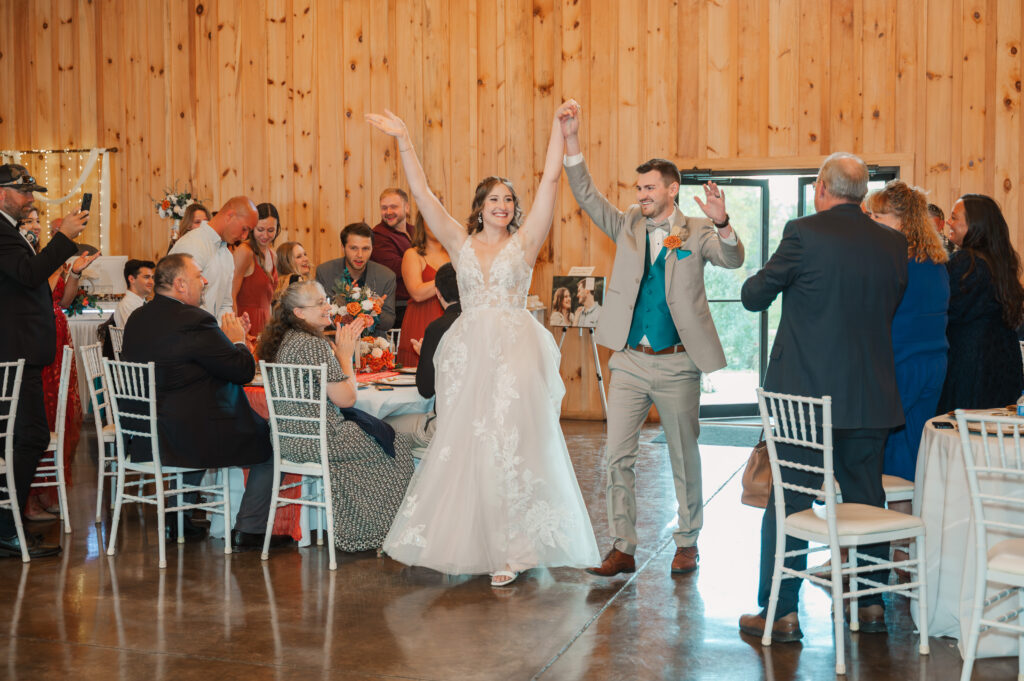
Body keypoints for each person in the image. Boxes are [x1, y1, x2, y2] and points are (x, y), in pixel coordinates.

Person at [367, 102, 600, 586]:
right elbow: (423, 194)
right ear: (480, 206)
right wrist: (405, 139)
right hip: (469, 352)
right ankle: (475, 540)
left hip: (515, 349)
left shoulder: (527, 240)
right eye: (494, 199)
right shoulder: (458, 240)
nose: (503, 206)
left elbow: (551, 183)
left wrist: (562, 131)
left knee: (512, 441)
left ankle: (515, 550)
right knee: (470, 441)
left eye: (508, 200)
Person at [561, 106, 745, 578]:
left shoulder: (699, 231)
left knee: (684, 455)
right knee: (616, 456)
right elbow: (586, 194)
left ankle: (688, 541)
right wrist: (572, 140)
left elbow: (732, 259)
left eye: (648, 188)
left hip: (678, 363)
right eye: (637, 188)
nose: (640, 195)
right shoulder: (627, 225)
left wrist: (723, 223)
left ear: (670, 190)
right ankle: (622, 546)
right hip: (628, 359)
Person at [738, 153, 908, 641]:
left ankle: (781, 611)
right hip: (869, 395)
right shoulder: (893, 244)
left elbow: (753, 296)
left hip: (804, 401)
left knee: (789, 501)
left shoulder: (803, 233)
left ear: (821, 189)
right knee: (867, 499)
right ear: (862, 193)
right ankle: (871, 605)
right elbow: (889, 303)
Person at [121, 254, 293, 550]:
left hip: (145, 433)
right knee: (275, 441)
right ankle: (249, 529)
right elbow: (241, 371)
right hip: (183, 436)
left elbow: (193, 364)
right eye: (199, 276)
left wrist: (231, 340)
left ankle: (180, 521)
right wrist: (238, 340)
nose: (205, 281)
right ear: (180, 284)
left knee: (195, 418)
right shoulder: (195, 320)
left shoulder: (139, 317)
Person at [256, 281, 416, 551]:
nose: (328, 306)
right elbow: (346, 399)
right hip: (321, 439)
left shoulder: (284, 341)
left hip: (289, 440)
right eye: (319, 303)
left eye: (326, 299)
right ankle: (379, 534)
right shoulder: (313, 345)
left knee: (377, 434)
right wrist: (344, 355)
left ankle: (363, 527)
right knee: (395, 442)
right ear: (299, 313)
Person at [0, 163, 89, 557]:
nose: (30, 199)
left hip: (22, 353)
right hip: (13, 354)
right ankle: (7, 527)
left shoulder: (11, 232)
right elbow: (29, 273)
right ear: (2, 193)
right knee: (27, 437)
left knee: (26, 438)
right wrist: (62, 238)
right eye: (24, 192)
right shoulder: (2, 233)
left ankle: (8, 525)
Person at [865, 182, 949, 481]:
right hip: (933, 365)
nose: (871, 221)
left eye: (877, 215)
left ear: (900, 219)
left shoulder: (897, 261)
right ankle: (909, 526)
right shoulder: (936, 262)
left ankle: (881, 524)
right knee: (908, 452)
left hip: (902, 365)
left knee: (884, 454)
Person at [935, 194, 1024, 414]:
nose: (948, 222)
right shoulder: (1001, 262)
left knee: (963, 434)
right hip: (1004, 361)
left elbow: (948, 312)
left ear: (974, 225)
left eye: (954, 217)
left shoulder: (966, 262)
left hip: (972, 364)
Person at [170, 196, 257, 321]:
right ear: (230, 216)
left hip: (209, 334)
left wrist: (232, 329)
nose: (244, 237)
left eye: (248, 232)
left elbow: (225, 304)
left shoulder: (227, 255)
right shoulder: (193, 244)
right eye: (244, 229)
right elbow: (181, 303)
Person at [315, 222, 397, 335]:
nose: (360, 255)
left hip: (372, 344)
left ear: (372, 248)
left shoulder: (386, 276)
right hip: (335, 341)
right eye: (354, 248)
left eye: (365, 249)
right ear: (343, 247)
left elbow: (388, 323)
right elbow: (318, 316)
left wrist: (376, 309)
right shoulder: (325, 272)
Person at [397, 214, 449, 367]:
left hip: (449, 322)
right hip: (421, 320)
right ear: (421, 224)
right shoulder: (412, 254)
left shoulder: (453, 254)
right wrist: (448, 279)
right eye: (431, 219)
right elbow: (417, 293)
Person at [413, 263, 460, 402]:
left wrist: (427, 355)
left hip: (449, 417)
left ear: (438, 292)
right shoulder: (483, 322)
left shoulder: (437, 328)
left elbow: (426, 389)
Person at [232, 202, 279, 336]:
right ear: (252, 228)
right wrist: (237, 329)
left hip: (265, 324)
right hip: (245, 322)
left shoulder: (273, 255)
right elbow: (231, 295)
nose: (265, 235)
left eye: (270, 230)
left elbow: (268, 301)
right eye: (260, 230)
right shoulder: (245, 252)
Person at [371, 189, 413, 327]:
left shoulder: (416, 231)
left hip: (417, 303)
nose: (388, 212)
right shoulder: (378, 236)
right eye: (384, 208)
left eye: (393, 207)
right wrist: (425, 260)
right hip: (398, 308)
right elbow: (397, 269)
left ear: (406, 207)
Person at [113, 259, 156, 328]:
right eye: (146, 277)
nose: (152, 282)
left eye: (153, 278)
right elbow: (140, 334)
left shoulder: (140, 303)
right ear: (131, 279)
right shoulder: (128, 305)